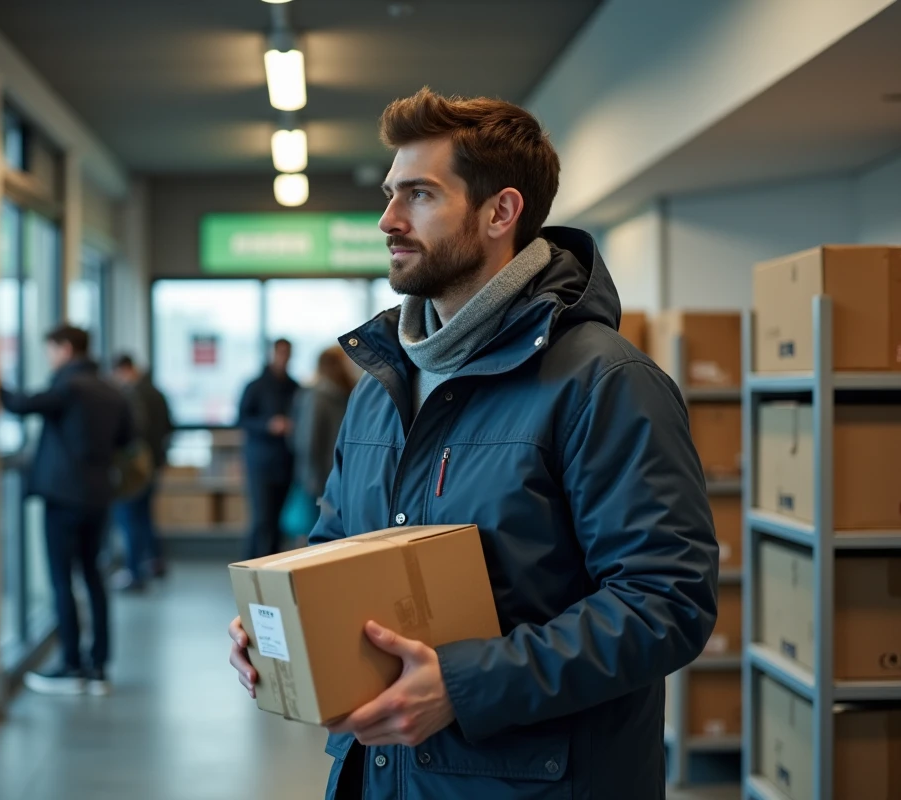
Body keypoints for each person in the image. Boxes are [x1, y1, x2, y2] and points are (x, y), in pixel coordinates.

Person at [228, 88, 717, 799]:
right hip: (383, 777)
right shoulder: (381, 385)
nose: (388, 219)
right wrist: (278, 625)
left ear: (500, 212)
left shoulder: (603, 382)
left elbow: (665, 602)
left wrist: (463, 685)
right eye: (393, 193)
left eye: (419, 195)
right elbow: (334, 546)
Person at [0, 324, 133, 696]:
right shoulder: (111, 389)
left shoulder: (68, 386)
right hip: (99, 497)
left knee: (62, 580)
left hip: (62, 498)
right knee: (93, 576)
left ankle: (71, 664)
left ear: (65, 348)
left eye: (50, 349)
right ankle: (99, 666)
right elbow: (126, 437)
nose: (49, 357)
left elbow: (19, 406)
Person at [110, 354, 174, 591]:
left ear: (123, 369)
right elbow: (169, 426)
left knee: (131, 518)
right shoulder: (156, 393)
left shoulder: (131, 395)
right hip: (154, 464)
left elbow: (131, 433)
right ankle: (156, 561)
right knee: (145, 516)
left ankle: (134, 572)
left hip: (136, 468)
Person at [238, 338, 300, 559]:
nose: (284, 358)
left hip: (286, 461)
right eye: (280, 353)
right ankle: (253, 566)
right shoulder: (255, 386)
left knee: (278, 519)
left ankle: (272, 566)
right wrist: (268, 425)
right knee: (262, 519)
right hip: (260, 462)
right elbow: (242, 419)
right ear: (272, 354)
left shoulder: (294, 386)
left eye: (287, 353)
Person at [290, 346, 356, 502]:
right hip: (322, 481)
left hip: (341, 475)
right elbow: (307, 442)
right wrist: (315, 483)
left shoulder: (346, 393)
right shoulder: (318, 396)